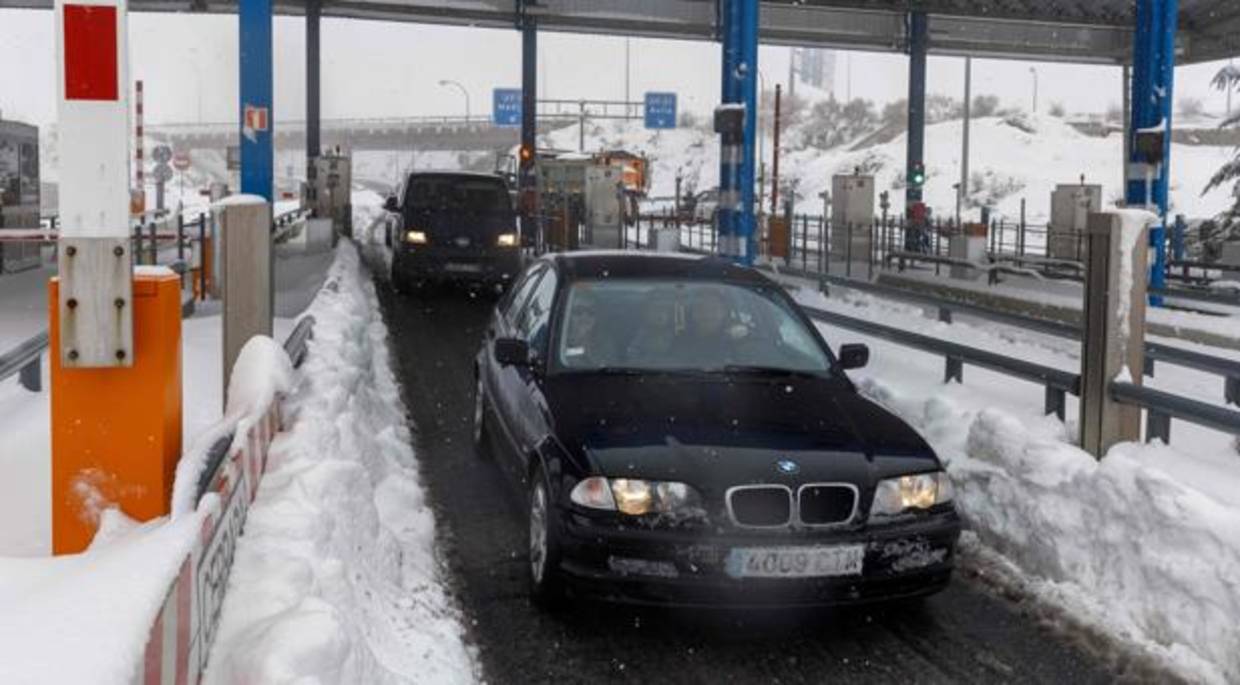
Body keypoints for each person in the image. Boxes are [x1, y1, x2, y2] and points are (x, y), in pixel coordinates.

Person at [561, 288, 619, 368]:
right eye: (579, 311)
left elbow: (609, 369)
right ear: (569, 314)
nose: (584, 317)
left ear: (597, 317)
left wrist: (586, 344)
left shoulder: (605, 342)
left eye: (590, 312)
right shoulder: (559, 341)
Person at [625, 288, 679, 366]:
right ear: (645, 311)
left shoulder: (679, 336)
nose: (660, 314)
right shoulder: (635, 335)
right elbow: (631, 359)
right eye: (656, 309)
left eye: (664, 309)